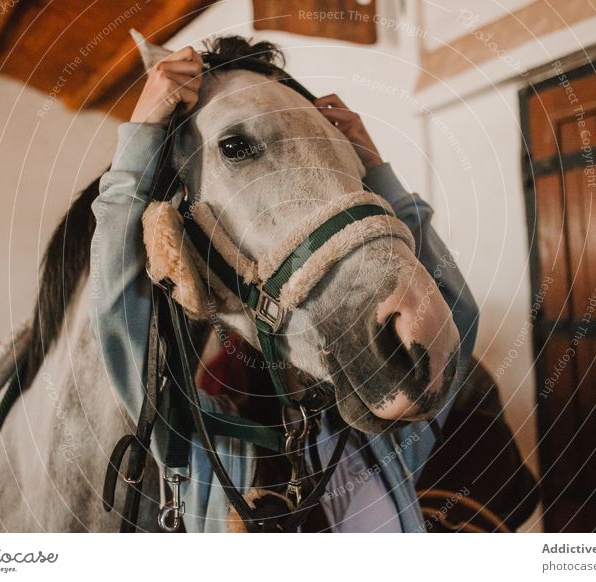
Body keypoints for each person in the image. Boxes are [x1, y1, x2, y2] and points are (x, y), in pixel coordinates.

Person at [89, 46, 479, 532]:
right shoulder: (208, 457)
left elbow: (455, 317)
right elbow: (120, 321)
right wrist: (141, 141)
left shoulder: (382, 444)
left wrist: (373, 168)